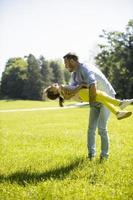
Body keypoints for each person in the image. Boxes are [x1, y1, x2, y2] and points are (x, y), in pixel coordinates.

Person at [62, 52, 132, 161]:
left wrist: (90, 100)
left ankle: (104, 157)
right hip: (94, 98)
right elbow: (71, 90)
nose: (65, 66)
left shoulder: (85, 68)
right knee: (91, 128)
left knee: (102, 129)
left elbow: (92, 84)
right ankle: (91, 155)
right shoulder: (74, 74)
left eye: (66, 63)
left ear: (72, 61)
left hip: (105, 95)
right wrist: (67, 94)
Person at [44, 83, 132, 120]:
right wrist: (81, 85)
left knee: (102, 97)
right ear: (54, 92)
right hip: (82, 94)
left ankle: (118, 112)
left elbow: (70, 94)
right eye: (52, 87)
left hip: (82, 95)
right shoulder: (62, 91)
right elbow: (71, 93)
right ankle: (120, 103)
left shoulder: (61, 90)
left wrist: (80, 86)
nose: (53, 84)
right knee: (101, 96)